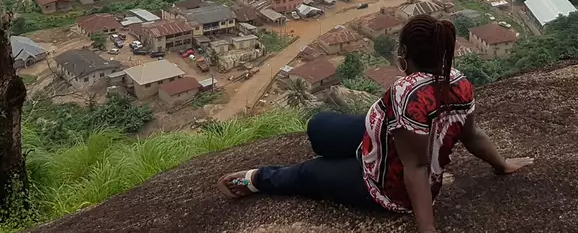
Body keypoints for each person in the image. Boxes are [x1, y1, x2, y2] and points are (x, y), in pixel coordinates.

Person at [219, 15, 533, 232]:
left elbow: (418, 167)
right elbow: (473, 134)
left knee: (308, 173)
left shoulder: (407, 93)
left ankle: (258, 179)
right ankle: (344, 157)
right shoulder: (459, 81)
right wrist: (502, 165)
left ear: (404, 55)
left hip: (384, 184)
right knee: (318, 128)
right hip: (377, 141)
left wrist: (427, 228)